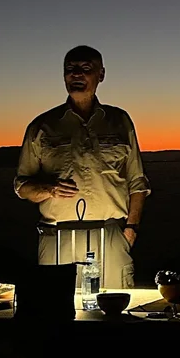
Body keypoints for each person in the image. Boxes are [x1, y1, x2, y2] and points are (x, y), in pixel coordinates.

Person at [14, 45, 150, 288]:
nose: (76, 74)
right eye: (70, 69)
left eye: (85, 69)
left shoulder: (120, 121)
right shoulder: (43, 125)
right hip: (57, 237)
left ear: (101, 74)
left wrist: (131, 229)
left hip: (111, 235)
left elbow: (137, 181)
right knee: (56, 315)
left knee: (115, 314)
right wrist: (50, 189)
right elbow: (22, 186)